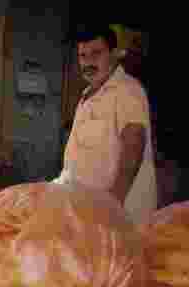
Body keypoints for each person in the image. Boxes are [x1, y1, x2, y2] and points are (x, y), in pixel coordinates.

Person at [59, 23, 157, 223]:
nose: (88, 62)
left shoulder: (126, 90)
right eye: (83, 56)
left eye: (96, 53)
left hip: (118, 217)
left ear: (113, 54)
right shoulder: (87, 96)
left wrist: (114, 203)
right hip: (88, 212)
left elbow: (134, 143)